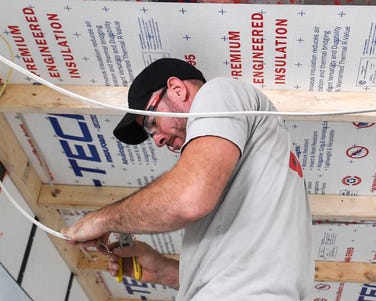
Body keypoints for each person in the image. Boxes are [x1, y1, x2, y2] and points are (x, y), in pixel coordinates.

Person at [62, 58, 313, 300]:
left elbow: (188, 200)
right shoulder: (263, 166)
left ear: (177, 89)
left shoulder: (218, 92)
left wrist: (102, 220)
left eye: (152, 122)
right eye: (151, 134)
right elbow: (246, 275)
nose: (157, 140)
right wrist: (164, 271)